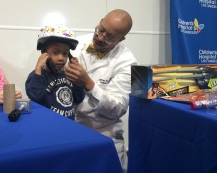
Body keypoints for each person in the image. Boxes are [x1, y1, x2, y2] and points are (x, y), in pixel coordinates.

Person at [65, 9, 138, 173]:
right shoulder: (76, 44)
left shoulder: (128, 63)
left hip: (102, 135)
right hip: (68, 130)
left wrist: (88, 84)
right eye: (101, 29)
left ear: (121, 39)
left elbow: (118, 108)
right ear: (100, 21)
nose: (100, 37)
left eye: (109, 37)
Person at [25, 25, 85, 120]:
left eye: (65, 53)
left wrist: (78, 82)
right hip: (47, 125)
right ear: (44, 54)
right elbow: (35, 97)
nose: (61, 58)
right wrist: (38, 69)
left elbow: (78, 99)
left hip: (68, 125)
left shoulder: (68, 75)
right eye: (55, 52)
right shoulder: (37, 75)